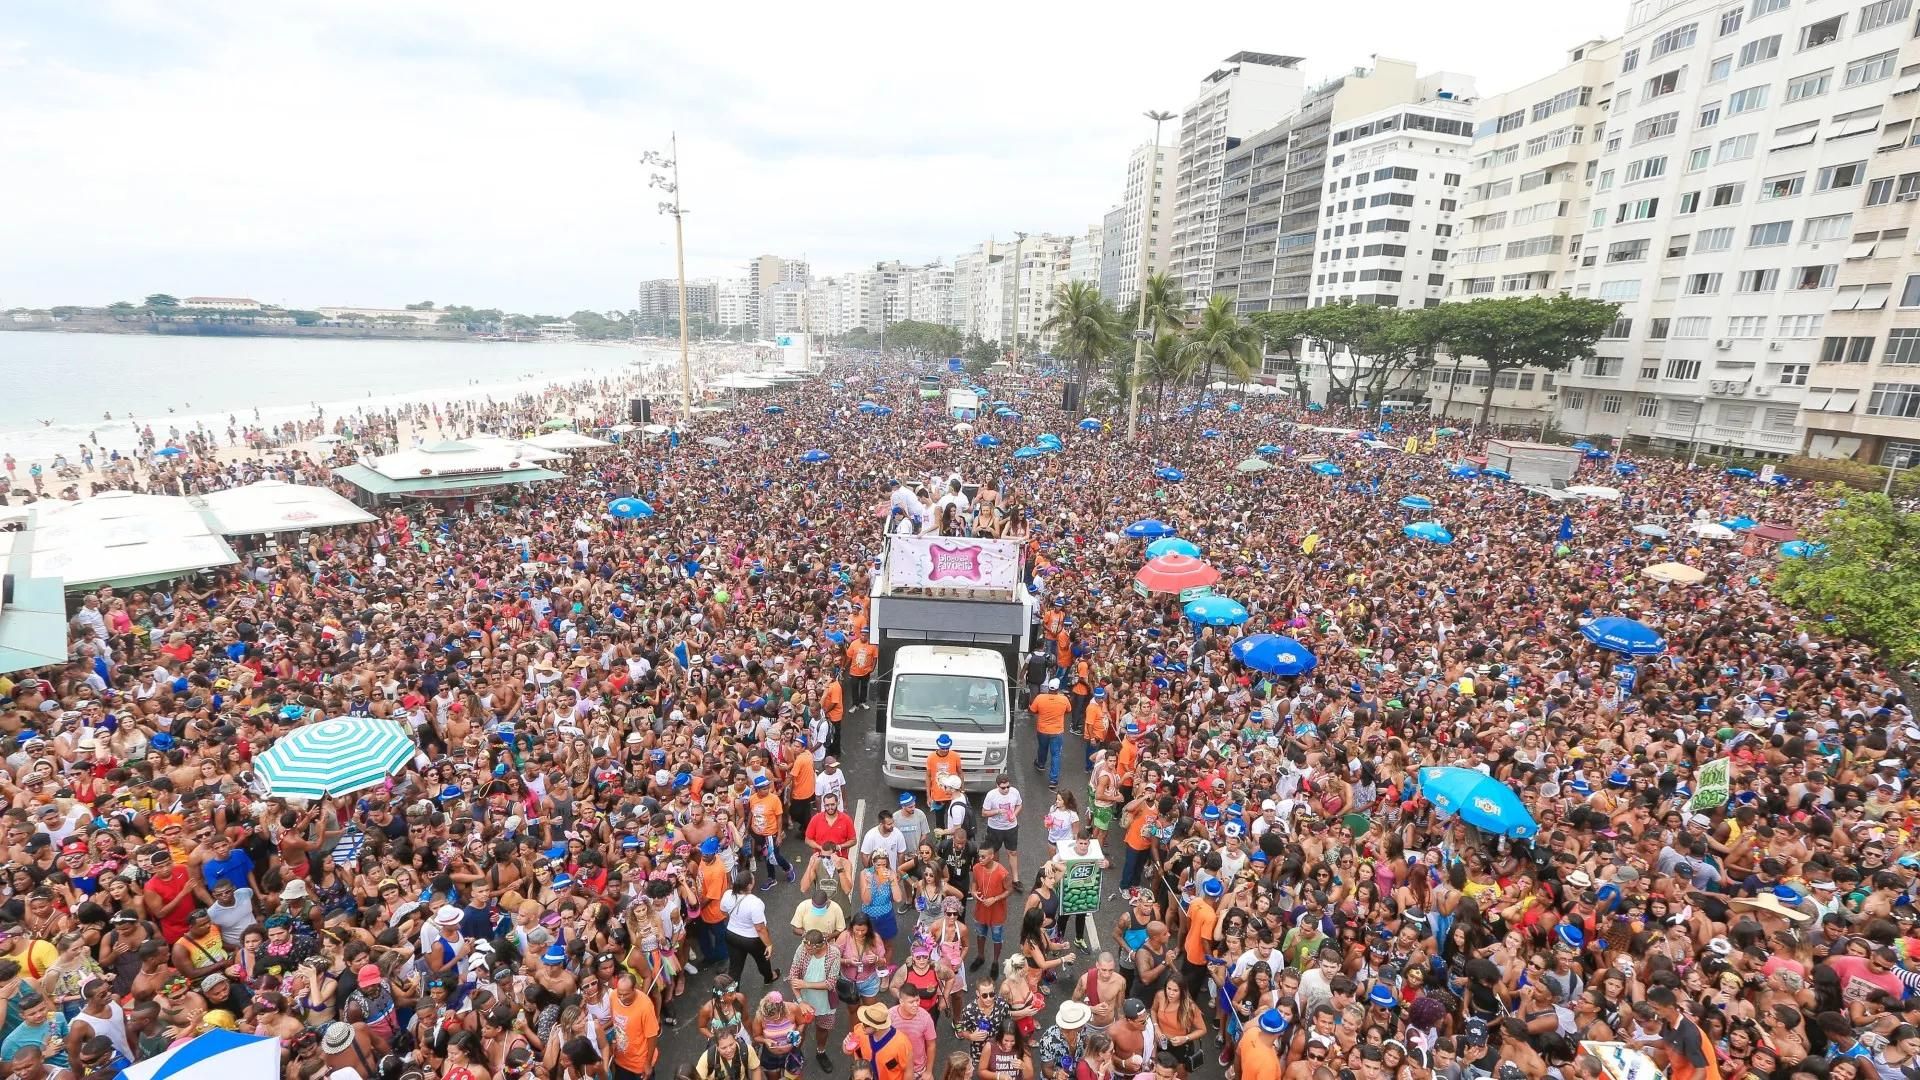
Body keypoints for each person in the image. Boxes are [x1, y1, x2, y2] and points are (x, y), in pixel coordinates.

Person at [970, 845, 1012, 976]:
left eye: (983, 856)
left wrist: (995, 899)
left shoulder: (1002, 872)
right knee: (980, 934)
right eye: (979, 856)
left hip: (997, 911)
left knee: (997, 938)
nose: (980, 859)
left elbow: (1010, 890)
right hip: (981, 908)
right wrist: (973, 892)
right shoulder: (977, 868)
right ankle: (980, 957)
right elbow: (974, 882)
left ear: (992, 856)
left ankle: (995, 962)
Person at [847, 1002, 913, 1080]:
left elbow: (908, 1072)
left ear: (877, 1027)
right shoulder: (859, 1031)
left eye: (866, 1024)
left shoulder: (902, 1043)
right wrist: (846, 1047)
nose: (862, 1025)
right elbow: (849, 1051)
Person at [981, 775, 1023, 885]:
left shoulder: (1015, 792)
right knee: (994, 853)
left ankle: (1015, 879)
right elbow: (984, 812)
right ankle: (996, 876)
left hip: (1011, 827)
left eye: (1008, 786)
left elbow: (1019, 805)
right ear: (997, 786)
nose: (1006, 790)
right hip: (995, 828)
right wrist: (998, 811)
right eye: (1003, 788)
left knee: (1012, 852)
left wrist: (1014, 814)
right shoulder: (991, 795)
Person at [1028, 681, 1071, 790]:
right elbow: (1068, 710)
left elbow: (1032, 710)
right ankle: (1053, 780)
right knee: (1056, 755)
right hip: (1057, 731)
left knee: (1042, 748)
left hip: (1042, 730)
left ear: (1048, 688)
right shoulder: (1064, 699)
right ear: (1057, 689)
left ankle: (1041, 764)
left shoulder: (1040, 698)